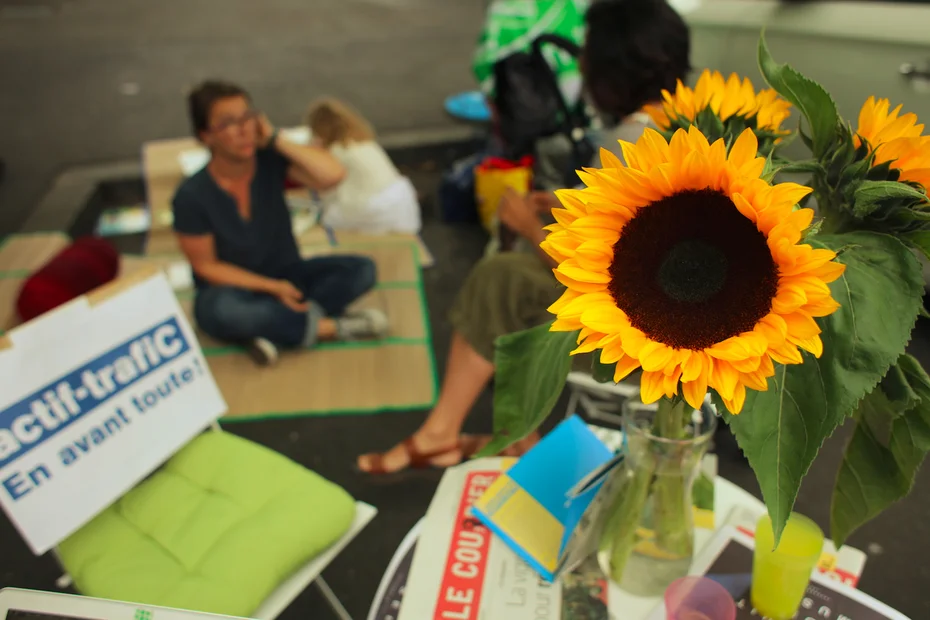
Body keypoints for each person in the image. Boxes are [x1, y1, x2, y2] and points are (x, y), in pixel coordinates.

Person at [358, 0, 691, 473]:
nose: (579, 62)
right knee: (510, 276)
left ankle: (455, 433)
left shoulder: (629, 143)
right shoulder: (688, 122)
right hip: (683, 317)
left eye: (588, 52)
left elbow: (610, 281)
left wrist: (529, 227)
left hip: (639, 337)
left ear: (613, 68)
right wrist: (561, 201)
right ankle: (505, 432)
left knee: (502, 278)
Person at [173, 80, 389, 366]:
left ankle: (273, 332)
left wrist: (275, 138)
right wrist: (273, 289)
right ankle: (329, 327)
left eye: (248, 117)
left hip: (289, 275)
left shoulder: (269, 159)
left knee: (363, 270)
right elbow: (207, 267)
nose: (244, 130)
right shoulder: (191, 195)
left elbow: (333, 175)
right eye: (228, 123)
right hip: (235, 290)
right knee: (219, 311)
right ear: (205, 136)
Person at [307, 97, 421, 235]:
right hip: (403, 205)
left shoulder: (336, 150)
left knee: (325, 216)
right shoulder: (362, 141)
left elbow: (323, 183)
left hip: (375, 211)